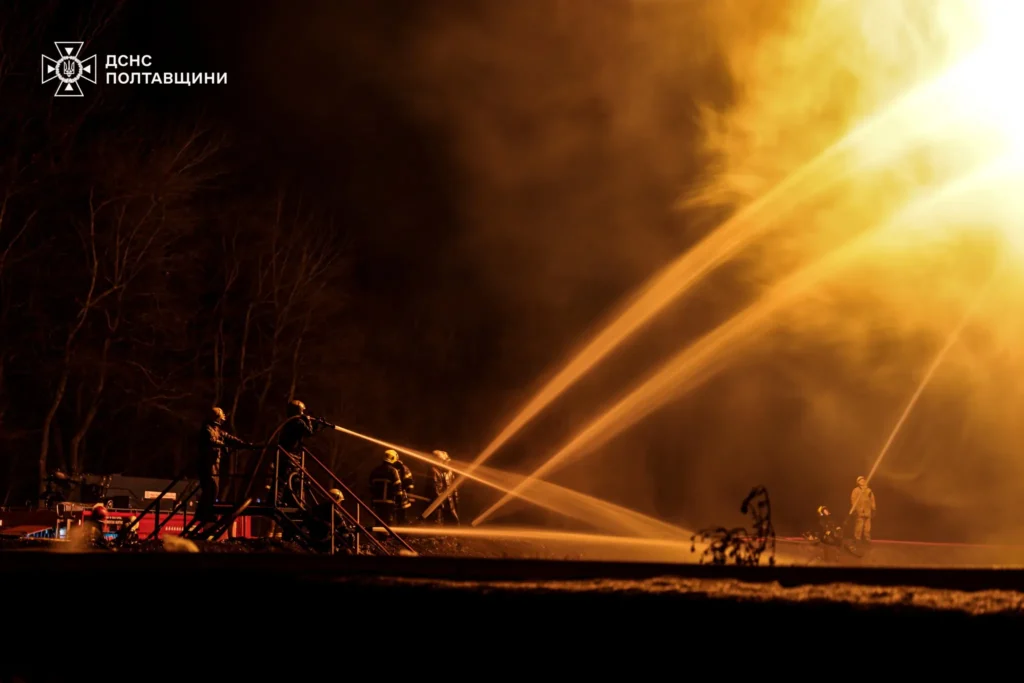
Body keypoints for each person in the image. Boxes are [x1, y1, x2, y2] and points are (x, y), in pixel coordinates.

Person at [197, 407, 260, 525]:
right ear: (216, 417)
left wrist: (244, 444)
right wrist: (223, 445)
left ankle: (207, 512)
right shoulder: (207, 429)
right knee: (210, 487)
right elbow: (211, 441)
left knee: (213, 488)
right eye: (221, 417)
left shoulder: (216, 429)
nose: (222, 420)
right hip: (206, 463)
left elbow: (229, 438)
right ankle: (203, 512)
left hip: (213, 463)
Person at [273, 399, 329, 507]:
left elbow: (307, 433)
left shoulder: (290, 422)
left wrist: (317, 426)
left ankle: (290, 500)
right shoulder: (297, 422)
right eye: (302, 411)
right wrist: (310, 421)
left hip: (287, 455)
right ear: (298, 410)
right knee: (283, 480)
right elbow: (309, 433)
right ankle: (279, 500)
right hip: (288, 456)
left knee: (289, 479)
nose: (303, 413)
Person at [369, 450, 411, 526]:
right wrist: (399, 500)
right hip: (388, 502)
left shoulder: (375, 470)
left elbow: (370, 486)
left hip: (376, 502)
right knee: (387, 523)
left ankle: (379, 533)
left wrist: (373, 499)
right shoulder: (393, 471)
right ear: (393, 458)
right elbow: (398, 486)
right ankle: (386, 533)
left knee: (378, 522)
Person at [425, 450, 459, 526]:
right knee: (437, 521)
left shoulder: (449, 471)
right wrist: (439, 501)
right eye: (445, 460)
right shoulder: (434, 471)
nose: (447, 461)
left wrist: (455, 497)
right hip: (439, 501)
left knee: (452, 520)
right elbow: (435, 487)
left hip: (448, 501)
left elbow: (454, 485)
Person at [850, 475, 876, 542]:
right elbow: (853, 500)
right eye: (860, 480)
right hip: (859, 511)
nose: (862, 481)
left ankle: (867, 539)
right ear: (858, 482)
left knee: (867, 527)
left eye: (863, 480)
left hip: (867, 511)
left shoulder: (869, 490)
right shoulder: (855, 490)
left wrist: (873, 509)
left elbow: (872, 500)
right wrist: (855, 509)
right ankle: (857, 538)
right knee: (859, 525)